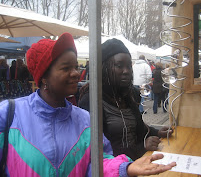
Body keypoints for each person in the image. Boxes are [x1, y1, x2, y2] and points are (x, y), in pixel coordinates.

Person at [0, 33, 176, 176]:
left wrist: (125, 168)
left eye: (76, 66)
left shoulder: (84, 120)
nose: (76, 73)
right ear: (44, 77)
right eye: (66, 68)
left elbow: (98, 163)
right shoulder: (9, 114)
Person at [78, 38, 173, 161]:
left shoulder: (130, 94)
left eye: (129, 66)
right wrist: (141, 147)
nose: (126, 71)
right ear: (104, 68)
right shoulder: (91, 101)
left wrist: (157, 132)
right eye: (119, 66)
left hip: (140, 163)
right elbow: (97, 152)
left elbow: (138, 127)